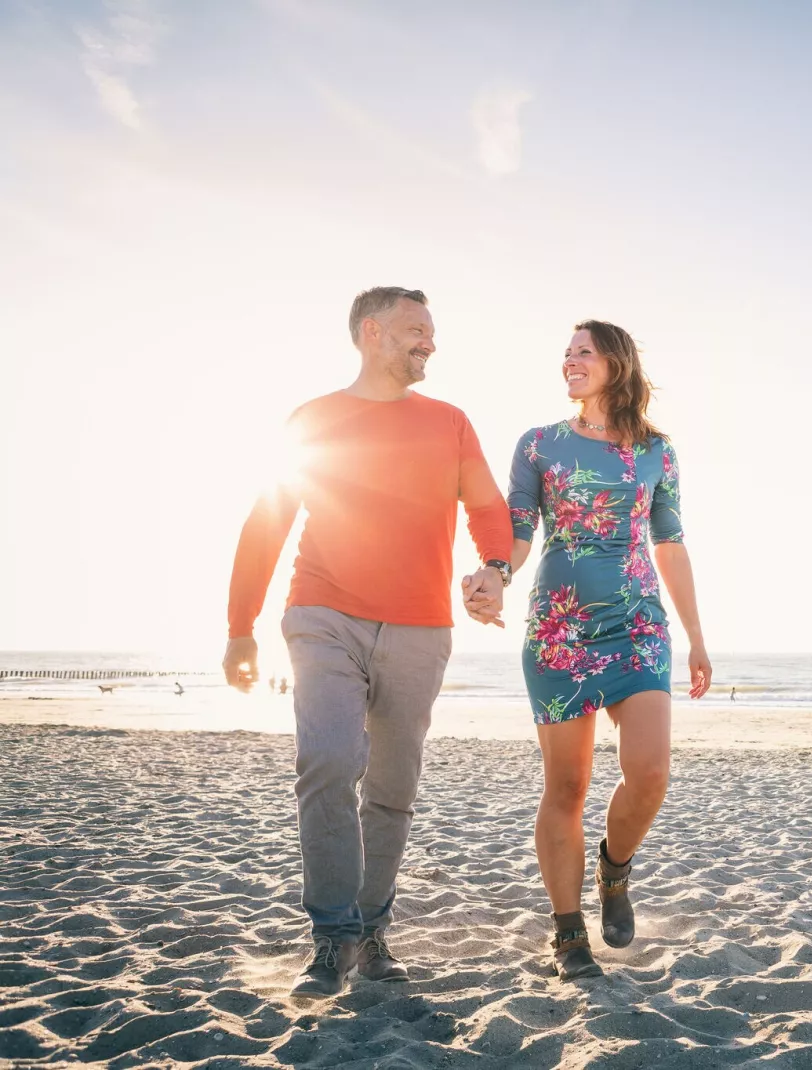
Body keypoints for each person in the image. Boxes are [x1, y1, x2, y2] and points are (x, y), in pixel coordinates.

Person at [224, 287, 512, 998]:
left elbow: (486, 507)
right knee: (327, 759)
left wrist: (495, 570)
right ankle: (332, 936)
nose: (431, 343)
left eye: (434, 331)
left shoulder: (449, 423)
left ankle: (372, 928)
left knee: (392, 784)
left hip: (420, 627)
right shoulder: (315, 420)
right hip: (324, 613)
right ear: (373, 333)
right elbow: (267, 523)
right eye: (418, 330)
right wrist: (239, 628)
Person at [479, 320, 711, 981]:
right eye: (567, 352)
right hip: (560, 629)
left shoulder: (656, 452)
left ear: (615, 362)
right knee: (569, 785)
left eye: (583, 351)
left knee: (651, 772)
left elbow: (670, 542)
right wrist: (494, 572)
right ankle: (568, 932)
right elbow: (518, 530)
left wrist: (695, 636)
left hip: (639, 626)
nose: (570, 361)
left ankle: (614, 870)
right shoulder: (540, 445)